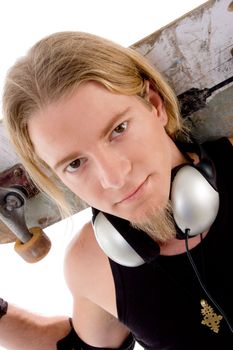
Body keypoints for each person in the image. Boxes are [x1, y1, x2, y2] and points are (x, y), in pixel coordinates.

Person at [0, 31, 233, 350]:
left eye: (118, 130)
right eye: (76, 163)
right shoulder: (90, 264)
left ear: (154, 105)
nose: (114, 177)